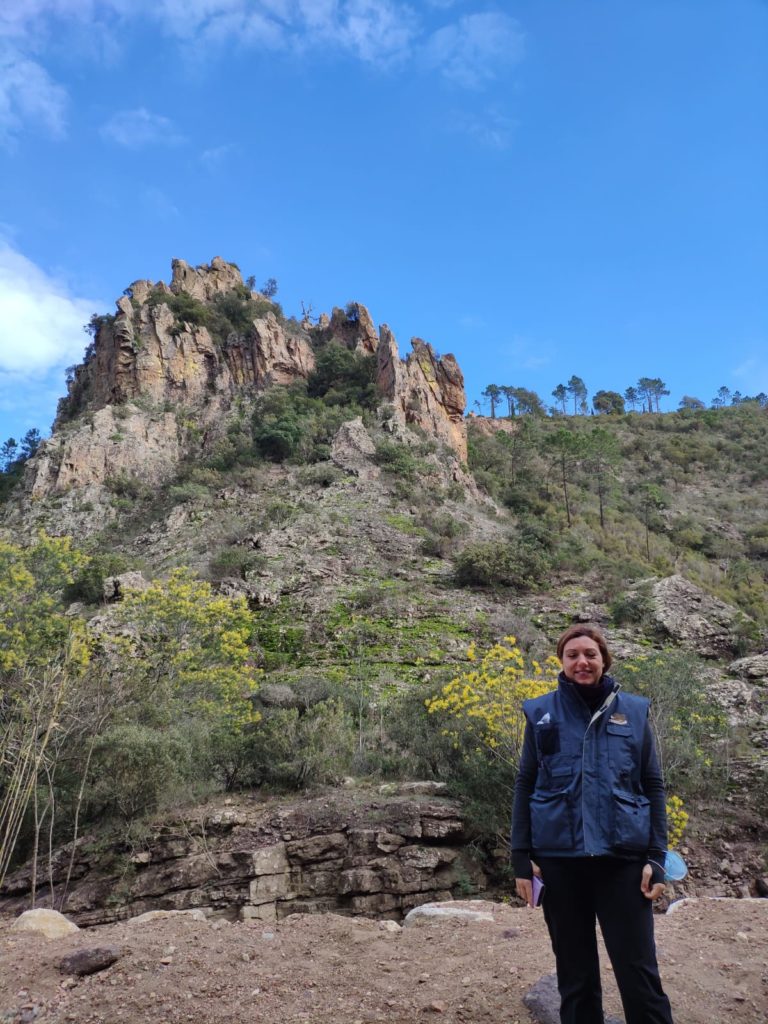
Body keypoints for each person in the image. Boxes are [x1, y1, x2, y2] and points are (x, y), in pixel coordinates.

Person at [511, 624, 675, 1024]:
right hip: (559, 861)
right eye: (572, 655)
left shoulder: (633, 711)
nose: (581, 662)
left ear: (604, 660)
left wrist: (656, 857)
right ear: (561, 662)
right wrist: (520, 857)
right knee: (575, 977)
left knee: (639, 975)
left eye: (590, 654)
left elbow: (652, 784)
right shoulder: (540, 712)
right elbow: (526, 782)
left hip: (623, 861)